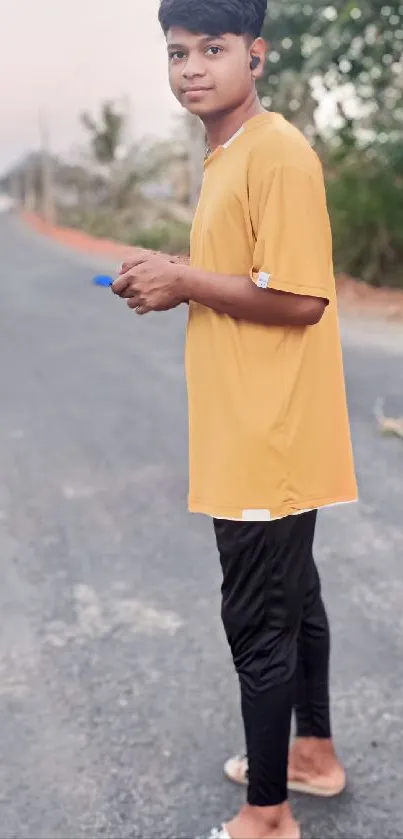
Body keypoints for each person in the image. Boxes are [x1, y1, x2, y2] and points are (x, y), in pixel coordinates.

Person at [112, 0, 358, 836]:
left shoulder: (276, 154)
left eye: (211, 49)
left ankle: (267, 816)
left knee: (258, 617)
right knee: (297, 602)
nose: (190, 67)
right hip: (253, 425)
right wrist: (176, 272)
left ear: (254, 55)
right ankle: (311, 756)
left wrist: (182, 282)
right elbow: (244, 275)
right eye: (177, 52)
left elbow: (300, 298)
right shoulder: (228, 155)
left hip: (266, 433)